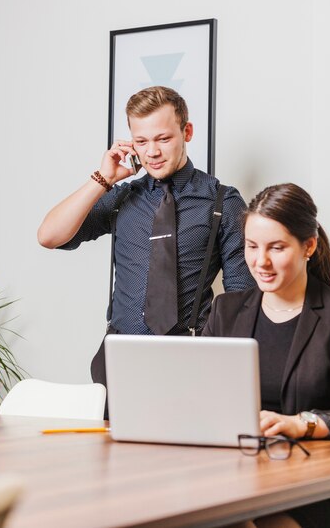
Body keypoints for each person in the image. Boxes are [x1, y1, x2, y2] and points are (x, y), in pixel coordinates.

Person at [38, 85, 254, 385]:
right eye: (141, 141)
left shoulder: (223, 202)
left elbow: (241, 298)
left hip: (192, 359)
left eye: (163, 138)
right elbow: (49, 236)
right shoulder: (122, 197)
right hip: (118, 357)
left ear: (186, 132)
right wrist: (104, 179)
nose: (152, 152)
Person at [203, 182, 330, 528]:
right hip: (244, 476)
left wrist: (303, 424)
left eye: (277, 248)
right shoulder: (225, 311)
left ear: (309, 246)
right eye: (252, 246)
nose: (261, 262)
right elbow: (200, 399)